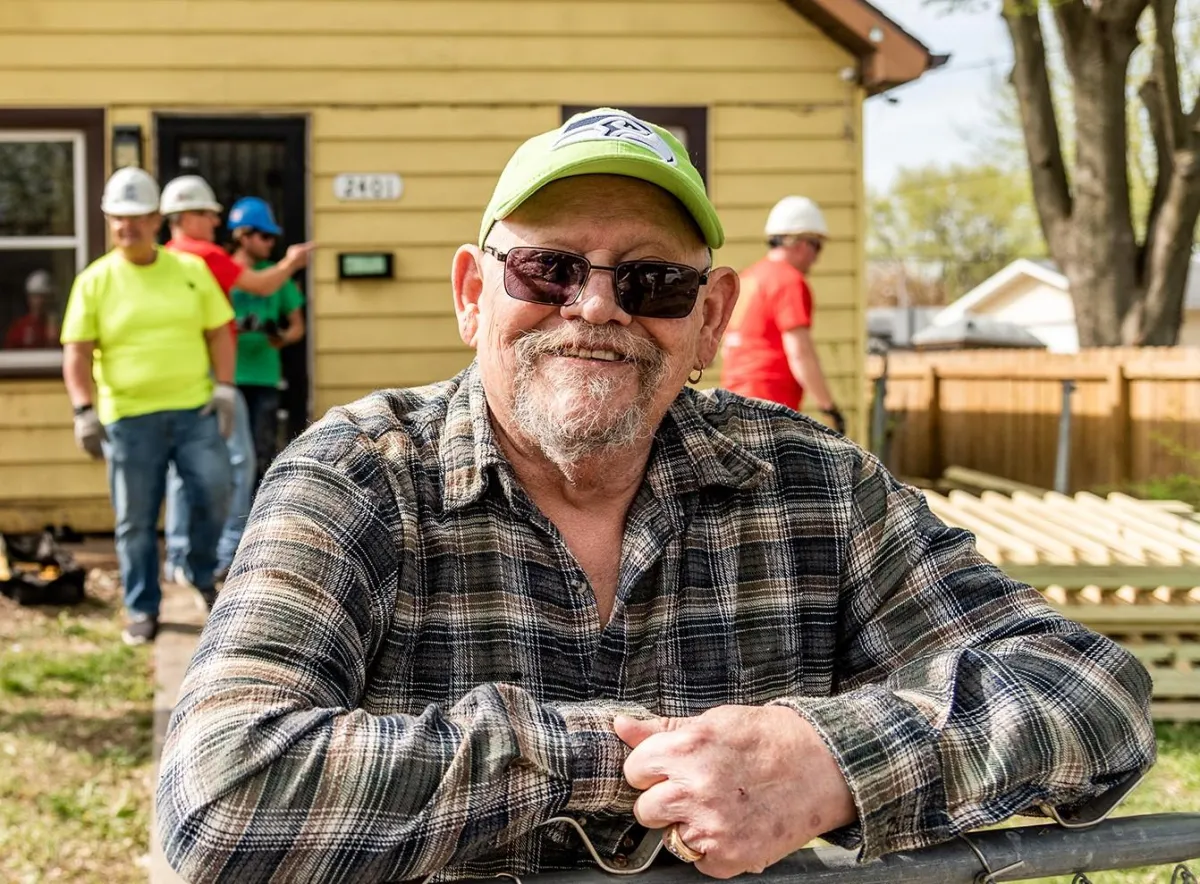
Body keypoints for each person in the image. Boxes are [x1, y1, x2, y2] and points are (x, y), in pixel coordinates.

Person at [157, 109, 1156, 884]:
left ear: (709, 317)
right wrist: (634, 760)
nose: (596, 305)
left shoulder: (814, 485)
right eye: (548, 269)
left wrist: (829, 758)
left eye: (652, 282)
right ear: (472, 293)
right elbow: (219, 789)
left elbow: (1093, 693)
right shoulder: (357, 476)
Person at [59, 167, 234, 646]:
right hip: (128, 419)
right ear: (108, 220)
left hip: (194, 411)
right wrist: (83, 410)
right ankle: (142, 607)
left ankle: (199, 572)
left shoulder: (190, 271)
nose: (127, 226)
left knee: (215, 493)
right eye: (119, 217)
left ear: (157, 219)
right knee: (135, 519)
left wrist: (224, 388)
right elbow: (76, 352)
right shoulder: (95, 281)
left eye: (137, 216)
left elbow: (219, 332)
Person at [159, 176, 314, 582]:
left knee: (184, 465)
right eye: (208, 214)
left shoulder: (164, 257)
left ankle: (179, 556)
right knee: (240, 460)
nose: (216, 222)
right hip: (214, 372)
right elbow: (261, 285)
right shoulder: (204, 254)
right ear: (185, 216)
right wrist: (292, 263)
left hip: (183, 372)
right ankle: (228, 552)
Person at [720, 195, 845, 433]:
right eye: (817, 246)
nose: (816, 258)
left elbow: (728, 347)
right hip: (770, 408)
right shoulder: (789, 281)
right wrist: (829, 408)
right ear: (802, 244)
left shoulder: (748, 278)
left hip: (732, 404)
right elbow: (800, 352)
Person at [226, 197, 306, 498]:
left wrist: (280, 337)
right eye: (265, 236)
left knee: (263, 453)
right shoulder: (221, 271)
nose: (271, 243)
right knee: (231, 456)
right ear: (243, 236)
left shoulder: (277, 276)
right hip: (229, 379)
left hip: (264, 377)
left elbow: (297, 326)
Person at [4, 270, 59, 349]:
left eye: (44, 297)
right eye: (35, 296)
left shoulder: (58, 327)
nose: (39, 301)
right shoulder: (19, 327)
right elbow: (9, 351)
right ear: (28, 298)